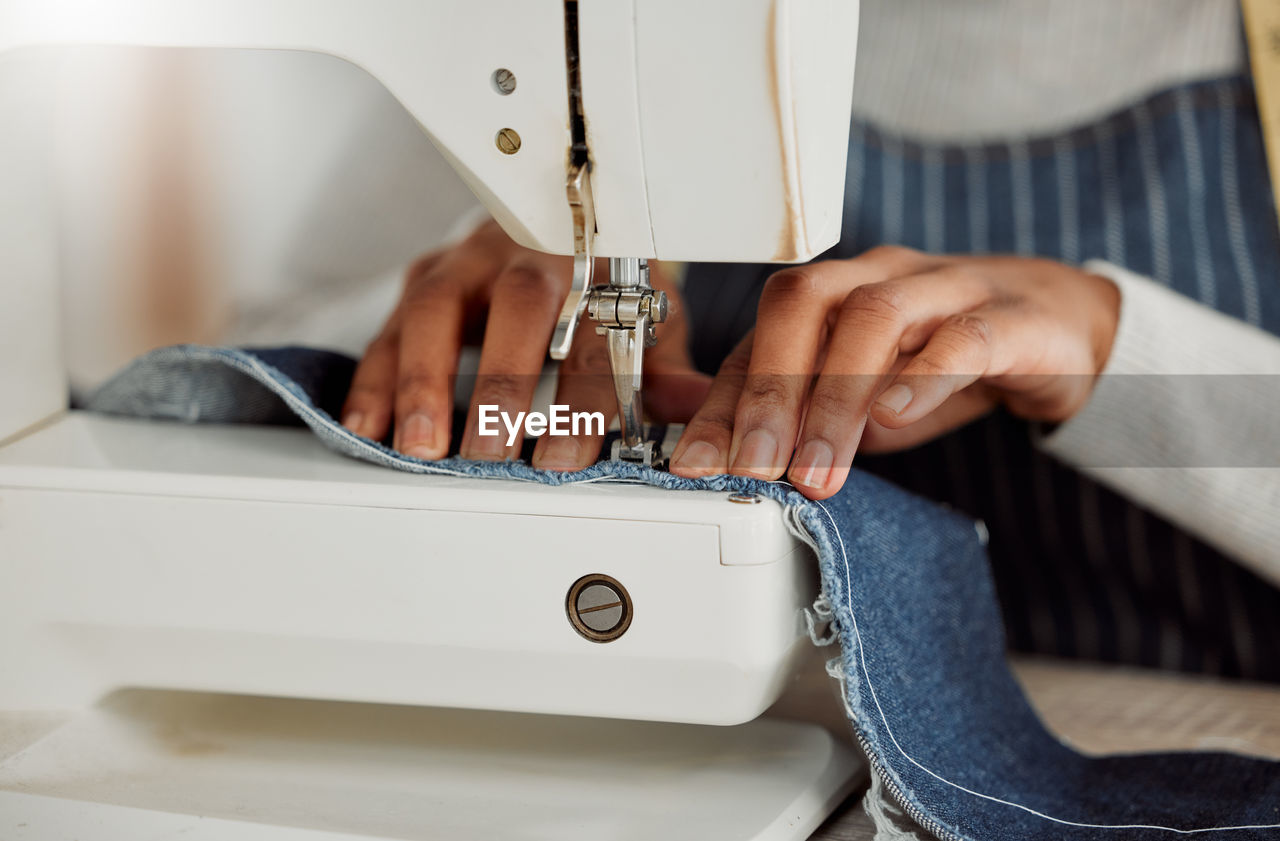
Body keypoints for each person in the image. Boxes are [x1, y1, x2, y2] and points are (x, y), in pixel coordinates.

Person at [342, 1, 1280, 678]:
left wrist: (1117, 348)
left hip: (1202, 716)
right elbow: (252, 342)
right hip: (772, 718)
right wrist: (533, 228)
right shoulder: (570, 43)